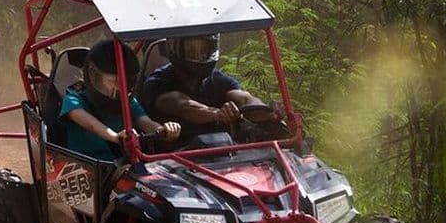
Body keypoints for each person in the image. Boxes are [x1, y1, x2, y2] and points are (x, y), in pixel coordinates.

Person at [140, 34, 283, 144]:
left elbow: (244, 99)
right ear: (175, 48)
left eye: (205, 50)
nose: (199, 56)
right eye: (191, 50)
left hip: (223, 157)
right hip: (170, 160)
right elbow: (182, 105)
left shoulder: (218, 79)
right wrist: (216, 114)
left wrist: (266, 112)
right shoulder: (158, 82)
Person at [60, 39, 180, 160]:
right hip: (88, 167)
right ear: (94, 77)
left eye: (123, 81)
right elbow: (91, 125)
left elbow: (146, 122)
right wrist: (116, 137)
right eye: (112, 81)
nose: (119, 86)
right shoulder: (73, 101)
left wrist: (165, 131)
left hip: (123, 166)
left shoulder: (128, 101)